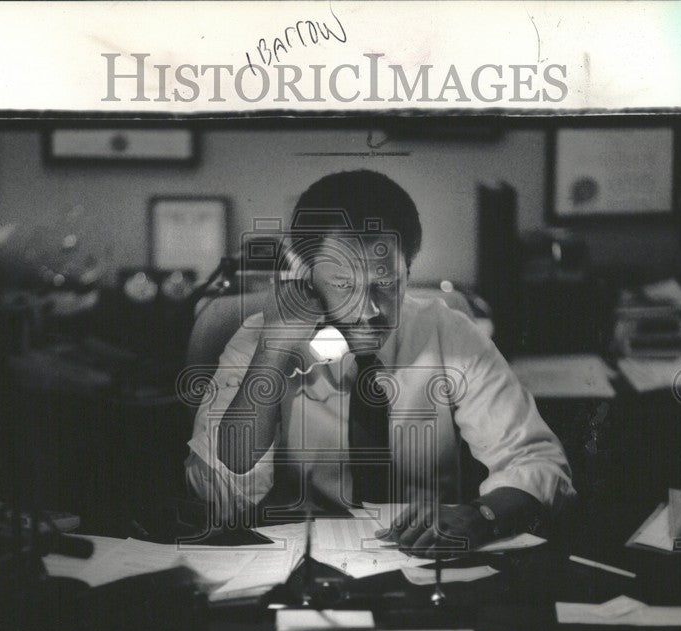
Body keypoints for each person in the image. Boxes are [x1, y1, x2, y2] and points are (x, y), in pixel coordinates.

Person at [185, 169, 574, 557]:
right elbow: (218, 497)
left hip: (427, 561)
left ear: (409, 269)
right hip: (300, 566)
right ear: (303, 276)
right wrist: (273, 354)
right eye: (344, 286)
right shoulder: (259, 339)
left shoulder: (449, 332)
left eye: (385, 285)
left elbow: (537, 461)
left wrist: (482, 516)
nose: (369, 311)